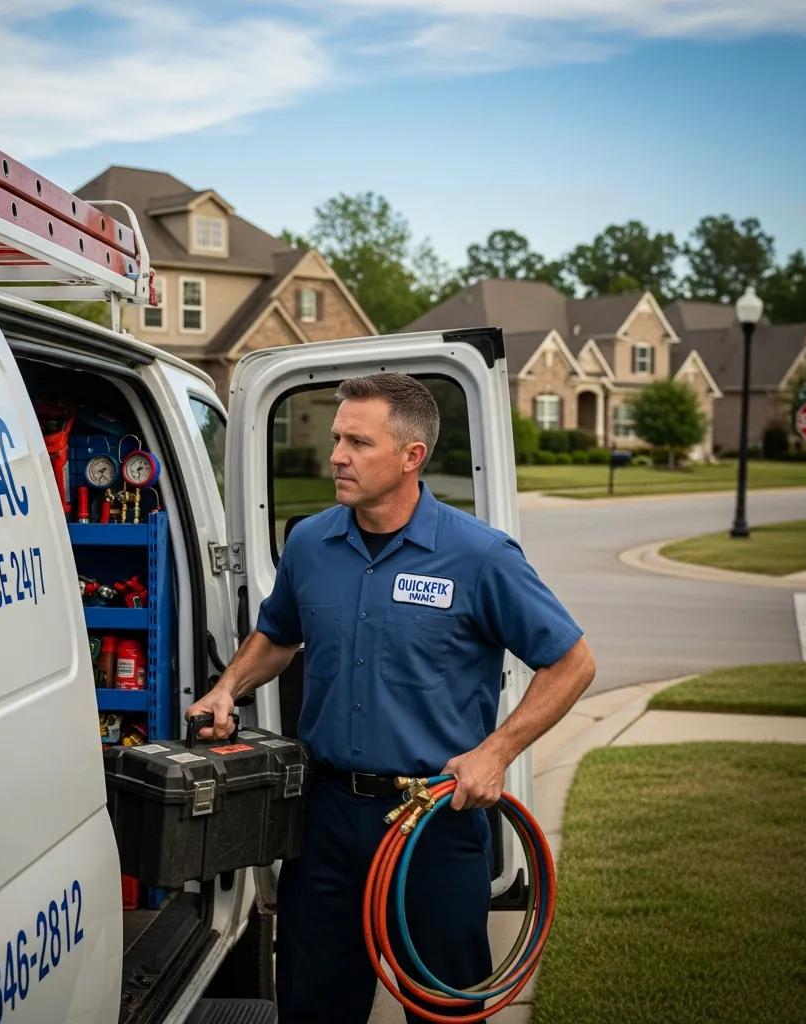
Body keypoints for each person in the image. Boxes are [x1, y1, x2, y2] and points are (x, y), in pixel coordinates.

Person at [186, 373, 595, 1024]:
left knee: (439, 1011)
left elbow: (571, 663)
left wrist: (496, 752)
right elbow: (277, 635)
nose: (336, 457)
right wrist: (226, 688)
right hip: (323, 820)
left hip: (433, 823)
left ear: (412, 456)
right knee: (312, 1003)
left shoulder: (480, 556)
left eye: (357, 441)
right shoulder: (310, 543)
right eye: (336, 439)